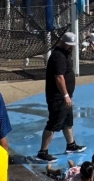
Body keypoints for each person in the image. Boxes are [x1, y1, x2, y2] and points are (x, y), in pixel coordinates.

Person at [36, 32, 85, 162]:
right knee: (54, 123)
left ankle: (71, 145)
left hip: (65, 97)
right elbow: (59, 77)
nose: (71, 47)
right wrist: (65, 95)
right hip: (58, 97)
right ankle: (43, 152)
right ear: (63, 42)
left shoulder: (65, 54)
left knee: (67, 122)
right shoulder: (58, 56)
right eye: (69, 44)